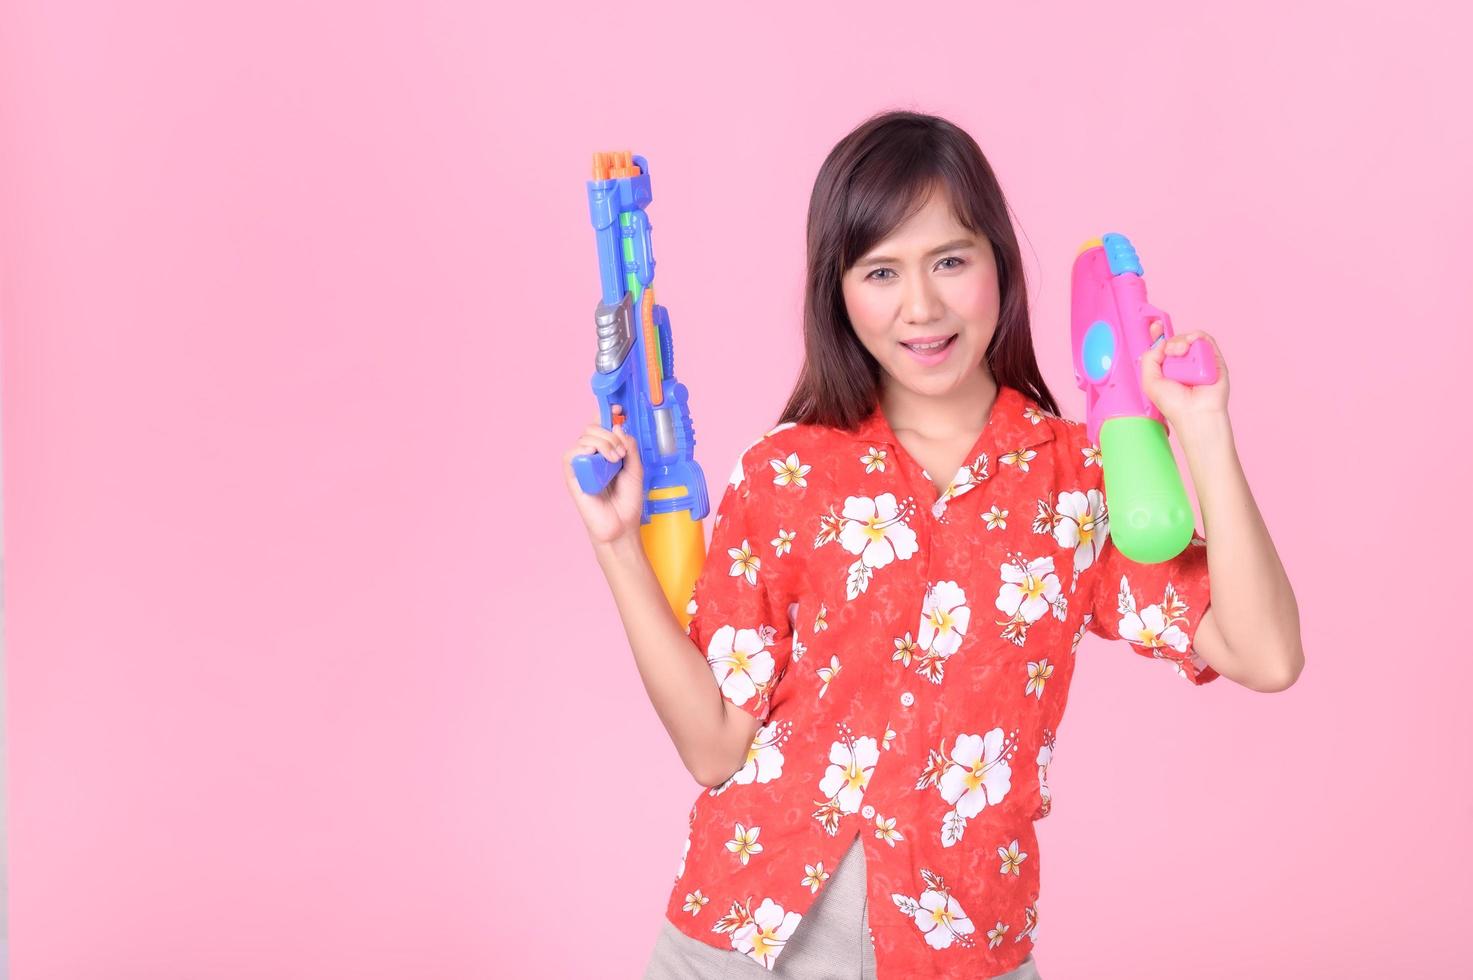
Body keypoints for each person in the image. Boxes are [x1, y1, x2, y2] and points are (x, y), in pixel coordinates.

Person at [562, 109, 1304, 980]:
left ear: (998, 262)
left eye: (949, 260)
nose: (921, 307)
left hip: (959, 948)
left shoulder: (1079, 483)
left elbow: (1264, 654)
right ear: (836, 292)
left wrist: (1202, 431)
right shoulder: (784, 473)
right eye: (880, 271)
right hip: (736, 938)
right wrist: (615, 545)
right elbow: (714, 746)